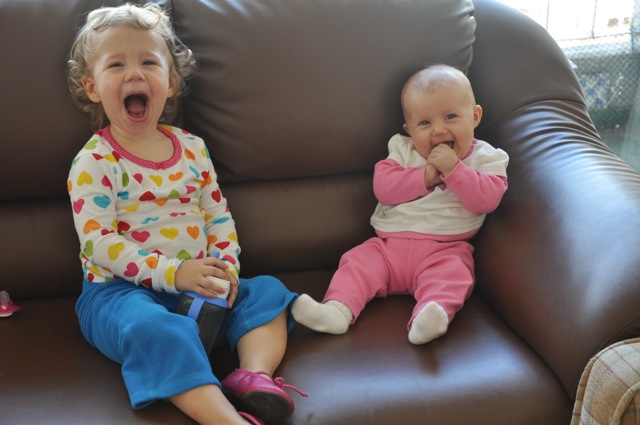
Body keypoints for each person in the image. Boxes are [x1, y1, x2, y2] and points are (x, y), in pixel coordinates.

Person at [66, 4, 305, 424]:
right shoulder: (95, 161)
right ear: (92, 86)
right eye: (116, 64)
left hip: (198, 285)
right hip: (119, 295)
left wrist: (225, 270)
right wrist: (174, 274)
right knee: (157, 329)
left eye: (148, 62)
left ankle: (253, 376)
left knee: (266, 291)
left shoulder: (192, 149)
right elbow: (99, 244)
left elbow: (217, 216)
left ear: (171, 83)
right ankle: (224, 418)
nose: (135, 74)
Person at [292, 64, 509, 345]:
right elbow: (383, 188)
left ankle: (429, 319)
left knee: (455, 276)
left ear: (475, 115)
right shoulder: (403, 149)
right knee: (357, 263)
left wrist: (455, 170)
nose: (439, 130)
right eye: (425, 123)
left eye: (451, 116)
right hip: (387, 249)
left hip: (444, 251)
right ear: (409, 129)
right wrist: (425, 177)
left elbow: (487, 200)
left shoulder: (486, 158)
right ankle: (336, 311)